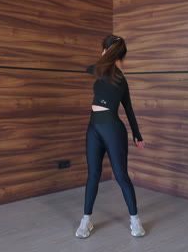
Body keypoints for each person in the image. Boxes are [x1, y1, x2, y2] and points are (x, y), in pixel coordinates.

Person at [75, 35, 146, 238]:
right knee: (93, 176)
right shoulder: (102, 71)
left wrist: (137, 135)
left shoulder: (118, 78)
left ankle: (135, 220)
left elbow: (129, 110)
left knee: (121, 176)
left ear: (108, 51)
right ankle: (86, 220)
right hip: (94, 129)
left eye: (105, 49)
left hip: (113, 130)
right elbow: (90, 68)